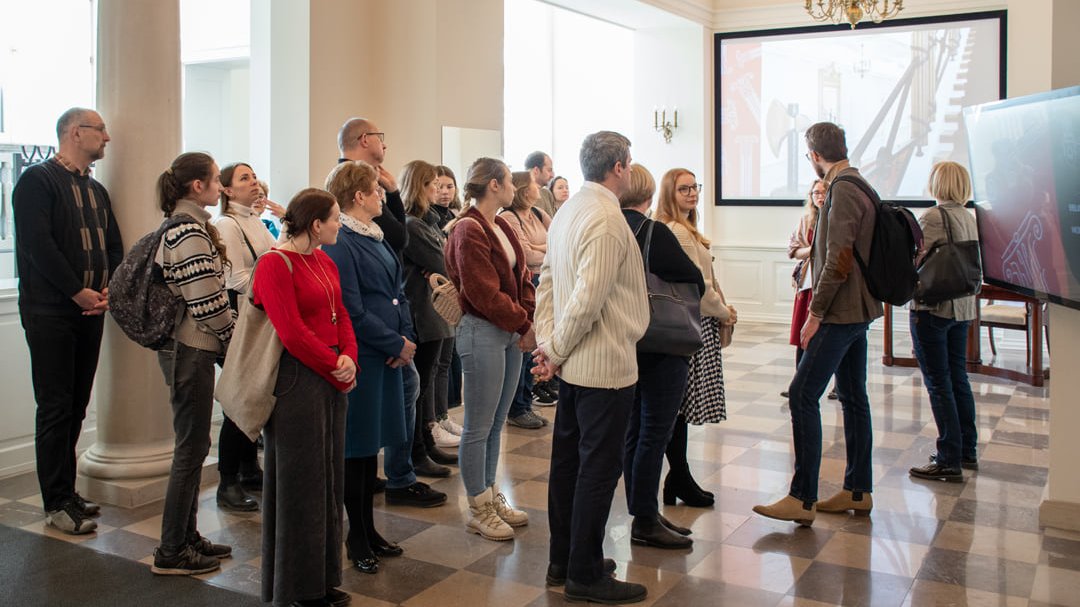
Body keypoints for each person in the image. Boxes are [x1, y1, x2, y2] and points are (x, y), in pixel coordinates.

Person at [533, 131, 650, 604]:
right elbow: (586, 299)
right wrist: (555, 348)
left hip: (575, 361)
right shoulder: (605, 218)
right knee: (597, 471)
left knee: (568, 465)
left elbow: (547, 284)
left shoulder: (569, 210)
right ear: (620, 166)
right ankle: (583, 571)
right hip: (602, 365)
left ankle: (564, 559)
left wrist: (548, 343)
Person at [753, 122, 883, 526]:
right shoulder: (861, 183)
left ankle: (803, 496)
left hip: (841, 311)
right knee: (853, 397)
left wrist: (815, 314)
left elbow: (838, 258)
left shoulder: (842, 189)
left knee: (802, 395)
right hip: (859, 309)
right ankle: (857, 490)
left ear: (813, 155)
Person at [14, 107, 122, 535]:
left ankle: (69, 492)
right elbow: (38, 247)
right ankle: (56, 501)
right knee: (56, 407)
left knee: (77, 405)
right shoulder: (36, 182)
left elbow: (113, 243)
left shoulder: (95, 189)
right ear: (76, 133)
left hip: (91, 310)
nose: (108, 137)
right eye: (101, 130)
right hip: (50, 312)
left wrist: (109, 286)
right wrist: (76, 290)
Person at [253, 188, 357, 607]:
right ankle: (297, 587)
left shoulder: (323, 259)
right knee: (300, 486)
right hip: (298, 381)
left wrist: (349, 356)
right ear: (316, 224)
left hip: (330, 377)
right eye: (335, 218)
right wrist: (334, 364)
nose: (339, 225)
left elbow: (342, 313)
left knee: (330, 482)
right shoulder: (274, 265)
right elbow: (291, 332)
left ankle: (323, 578)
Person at [337, 117, 445, 509]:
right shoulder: (345, 227)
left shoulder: (373, 227)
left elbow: (395, 250)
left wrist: (404, 334)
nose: (386, 143)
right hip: (371, 338)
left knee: (409, 390)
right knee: (366, 427)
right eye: (381, 137)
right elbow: (353, 301)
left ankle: (402, 472)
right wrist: (392, 339)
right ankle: (397, 476)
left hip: (392, 327)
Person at [324, 160, 414, 575]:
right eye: (378, 190)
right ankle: (355, 533)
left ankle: (370, 528)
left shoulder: (374, 235)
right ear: (358, 196)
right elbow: (351, 310)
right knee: (356, 451)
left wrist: (405, 339)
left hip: (388, 353)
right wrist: (394, 341)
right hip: (365, 355)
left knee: (371, 450)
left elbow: (397, 293)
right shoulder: (341, 242)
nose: (383, 196)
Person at [151, 152, 235, 575]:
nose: (220, 188)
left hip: (191, 348)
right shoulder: (188, 234)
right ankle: (171, 550)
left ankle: (186, 536)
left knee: (195, 445)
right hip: (190, 349)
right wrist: (234, 336)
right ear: (196, 187)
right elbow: (206, 303)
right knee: (190, 449)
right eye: (217, 180)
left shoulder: (190, 228)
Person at [445, 157, 536, 541]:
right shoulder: (468, 228)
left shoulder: (500, 224)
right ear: (495, 185)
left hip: (510, 331)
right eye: (510, 181)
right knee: (478, 426)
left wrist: (525, 319)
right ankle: (477, 507)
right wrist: (522, 322)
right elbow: (482, 292)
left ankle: (490, 493)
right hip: (482, 330)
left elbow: (524, 276)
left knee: (497, 422)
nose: (516, 186)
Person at [619, 164, 704, 549]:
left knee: (636, 429)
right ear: (650, 195)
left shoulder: (611, 228)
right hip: (663, 341)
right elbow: (694, 279)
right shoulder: (653, 232)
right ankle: (644, 519)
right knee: (656, 430)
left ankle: (644, 512)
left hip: (626, 340)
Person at [655, 168, 737, 508]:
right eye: (683, 189)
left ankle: (680, 475)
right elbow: (698, 287)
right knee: (677, 407)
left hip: (696, 322)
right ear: (669, 194)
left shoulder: (687, 228)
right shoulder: (678, 232)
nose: (691, 193)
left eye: (694, 187)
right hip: (692, 322)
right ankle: (679, 475)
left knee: (681, 408)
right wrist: (724, 312)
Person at [907, 162, 980, 483]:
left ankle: (948, 457)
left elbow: (914, 258)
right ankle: (966, 448)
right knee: (957, 378)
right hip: (963, 308)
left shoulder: (934, 217)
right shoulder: (970, 217)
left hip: (934, 308)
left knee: (938, 382)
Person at [212, 162, 278, 512]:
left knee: (256, 395)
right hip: (242, 322)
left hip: (260, 319)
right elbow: (233, 278)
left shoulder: (254, 220)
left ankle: (250, 468)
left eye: (253, 177)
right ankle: (227, 481)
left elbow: (278, 255)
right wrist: (268, 284)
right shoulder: (227, 224)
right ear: (226, 190)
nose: (253, 183)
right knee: (239, 399)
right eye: (244, 179)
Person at [400, 160, 459, 472]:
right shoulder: (411, 225)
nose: (438, 190)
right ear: (418, 187)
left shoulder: (427, 222)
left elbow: (447, 257)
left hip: (434, 311)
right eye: (432, 185)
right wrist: (442, 262)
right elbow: (445, 263)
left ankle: (426, 444)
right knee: (419, 384)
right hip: (422, 311)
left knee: (428, 377)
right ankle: (417, 450)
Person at [504, 170, 555, 430]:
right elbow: (524, 255)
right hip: (526, 284)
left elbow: (560, 241)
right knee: (525, 344)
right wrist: (542, 250)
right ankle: (518, 407)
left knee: (538, 342)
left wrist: (542, 249)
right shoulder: (509, 217)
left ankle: (526, 402)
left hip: (544, 281)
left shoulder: (537, 213)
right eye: (534, 183)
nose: (538, 186)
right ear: (525, 189)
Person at [782, 180, 837, 401]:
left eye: (824, 192)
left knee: (833, 337)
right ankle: (798, 380)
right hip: (808, 283)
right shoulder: (806, 221)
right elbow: (794, 250)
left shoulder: (837, 218)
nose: (820, 196)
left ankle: (838, 386)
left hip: (830, 285)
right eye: (816, 192)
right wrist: (813, 251)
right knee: (802, 335)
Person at [434, 165, 466, 425]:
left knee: (447, 361)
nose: (445, 192)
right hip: (438, 298)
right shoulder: (428, 219)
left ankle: (444, 415)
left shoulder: (456, 215)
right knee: (438, 363)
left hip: (455, 294)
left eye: (449, 186)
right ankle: (436, 419)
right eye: (439, 186)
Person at [524, 150, 557, 217]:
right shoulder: (521, 195)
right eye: (549, 170)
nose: (552, 175)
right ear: (536, 170)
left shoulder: (547, 193)